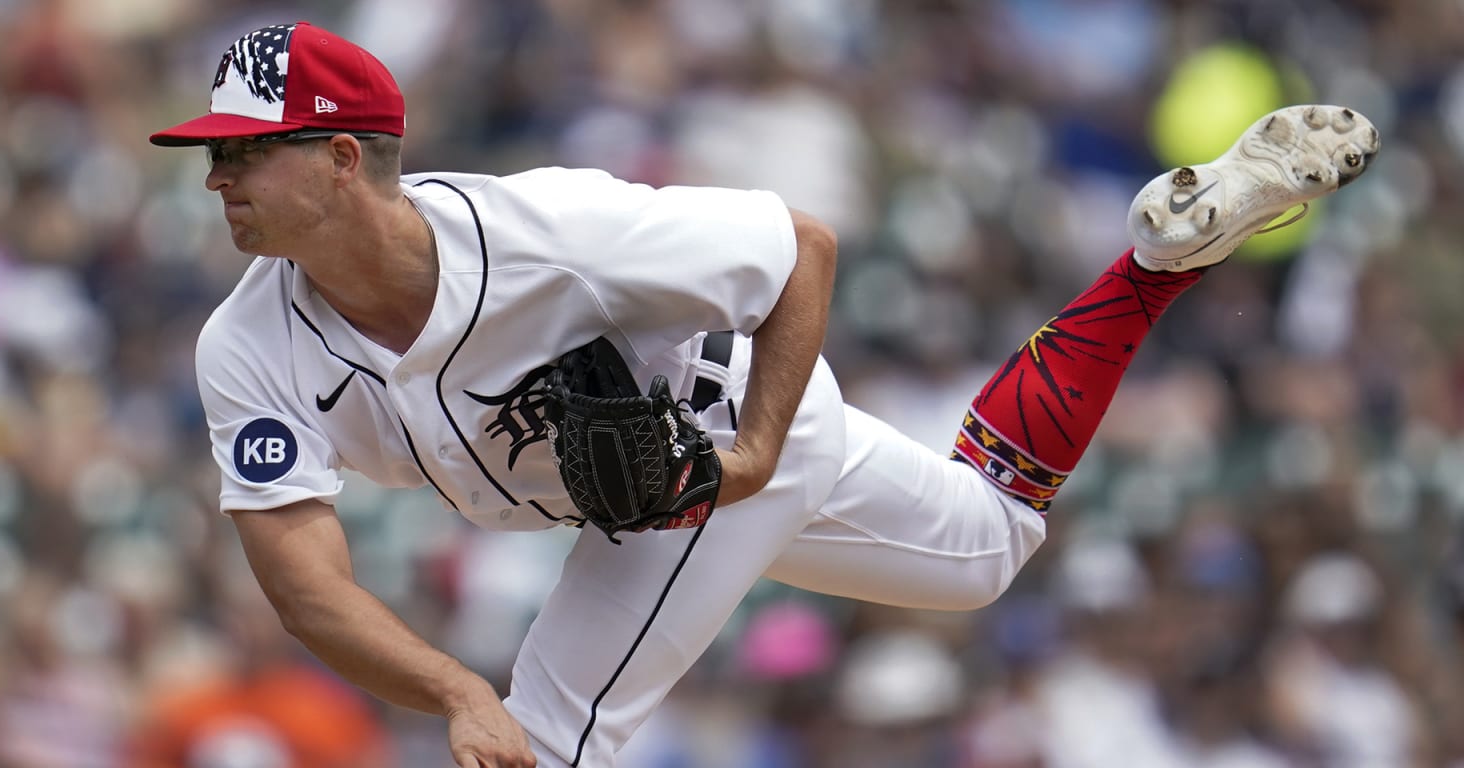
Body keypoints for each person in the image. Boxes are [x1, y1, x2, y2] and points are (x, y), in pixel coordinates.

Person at [150, 20, 1380, 768]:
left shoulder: (550, 232)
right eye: (216, 154)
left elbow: (802, 249)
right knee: (988, 547)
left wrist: (750, 453)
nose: (219, 176)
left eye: (247, 150)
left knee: (551, 734)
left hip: (712, 452)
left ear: (344, 158)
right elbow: (304, 587)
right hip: (701, 468)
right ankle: (1155, 268)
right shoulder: (247, 344)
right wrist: (453, 687)